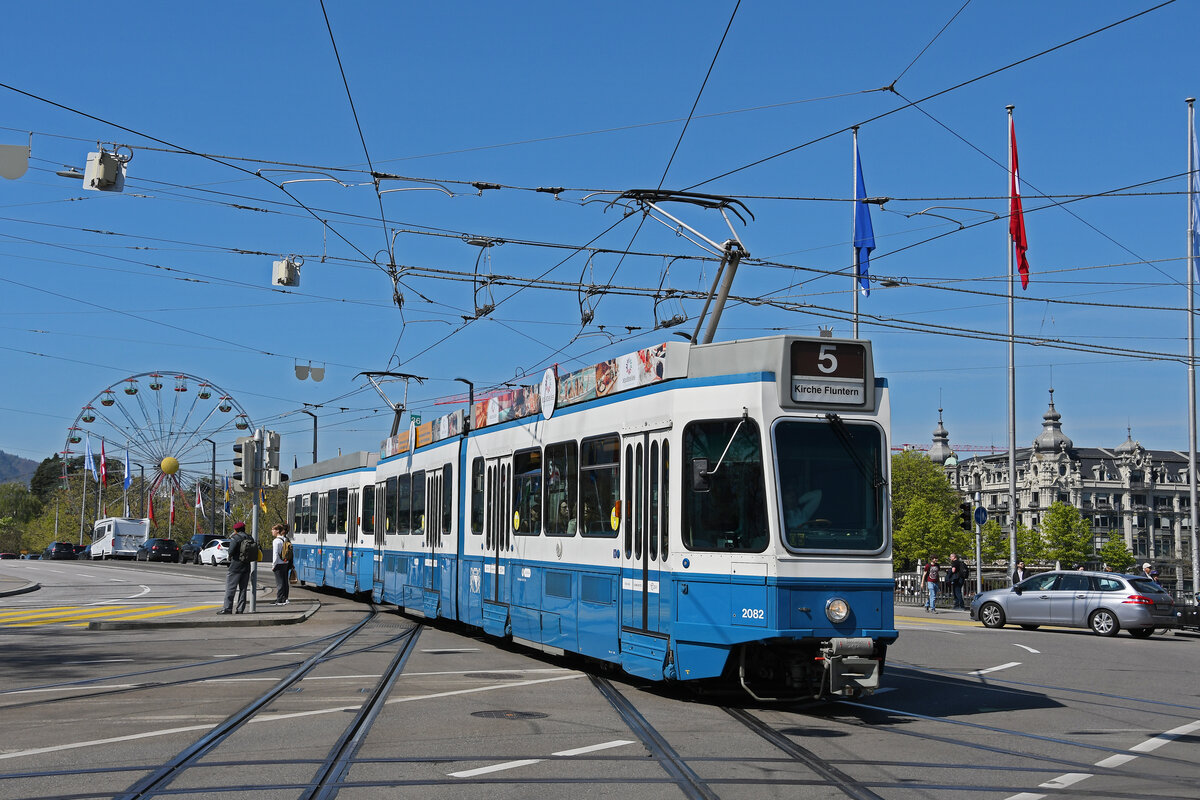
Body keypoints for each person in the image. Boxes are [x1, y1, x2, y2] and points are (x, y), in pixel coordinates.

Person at [219, 522, 257, 614]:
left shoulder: (235, 538)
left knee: (230, 588)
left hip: (235, 566)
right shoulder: (250, 538)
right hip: (246, 566)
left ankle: (227, 608)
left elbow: (231, 551)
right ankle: (240, 609)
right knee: (243, 589)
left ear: (235, 530)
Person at [270, 523, 292, 605]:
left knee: (279, 582)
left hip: (278, 563)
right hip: (285, 562)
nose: (272, 531)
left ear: (277, 531)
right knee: (284, 581)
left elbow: (275, 554)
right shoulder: (285, 539)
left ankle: (279, 599)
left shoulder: (276, 541)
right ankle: (285, 598)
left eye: (273, 530)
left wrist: (273, 565)